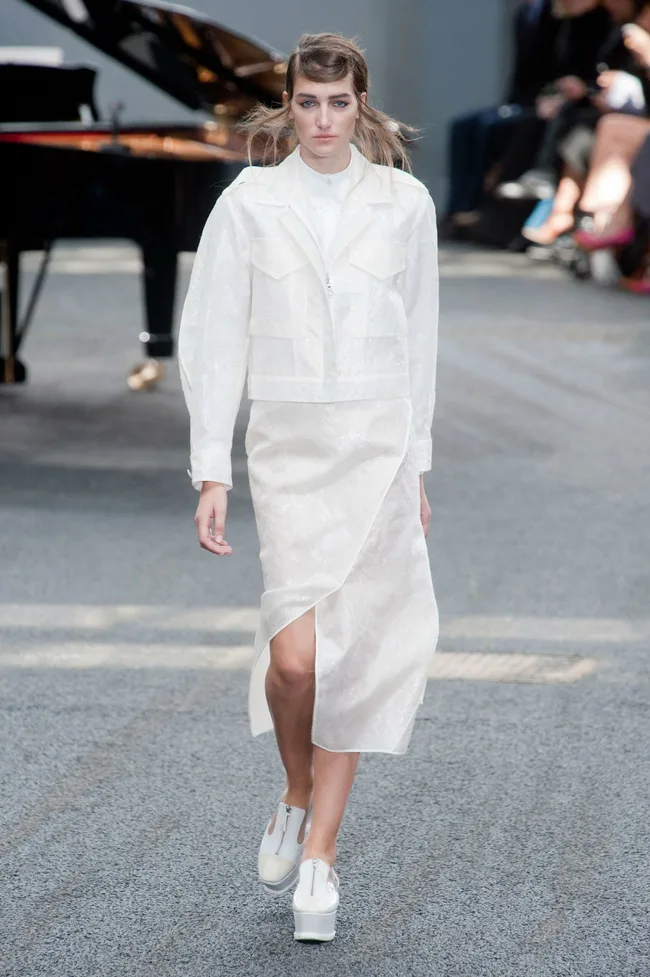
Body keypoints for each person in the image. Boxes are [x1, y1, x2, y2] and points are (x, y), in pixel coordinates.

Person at [177, 32, 440, 944]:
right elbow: (212, 338)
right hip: (288, 448)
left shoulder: (406, 204)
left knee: (354, 657)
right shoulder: (248, 204)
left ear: (359, 107)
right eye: (308, 102)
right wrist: (211, 467)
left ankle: (319, 859)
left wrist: (419, 463)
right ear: (287, 104)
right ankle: (294, 790)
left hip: (375, 445)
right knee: (295, 660)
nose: (322, 120)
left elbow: (421, 342)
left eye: (338, 104)